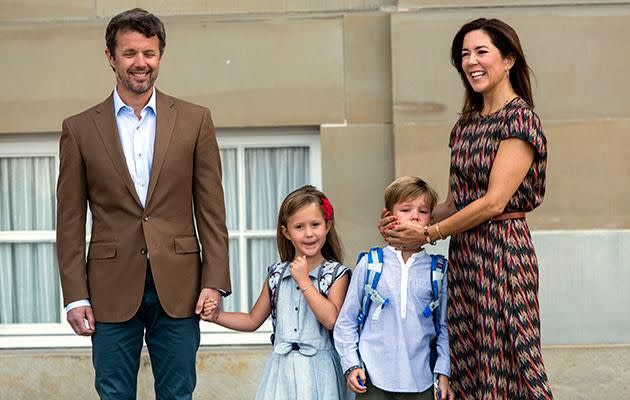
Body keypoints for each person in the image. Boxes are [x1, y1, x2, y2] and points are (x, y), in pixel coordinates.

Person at [56, 8, 230, 399]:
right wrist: (76, 295)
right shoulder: (80, 128)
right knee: (114, 393)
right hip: (109, 289)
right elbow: (69, 221)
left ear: (160, 56)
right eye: (131, 53)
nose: (141, 63)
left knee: (178, 392)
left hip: (181, 285)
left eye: (149, 54)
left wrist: (214, 282)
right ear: (110, 57)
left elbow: (212, 211)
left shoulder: (194, 120)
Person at [379, 18, 553, 399]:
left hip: (504, 253)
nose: (471, 61)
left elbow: (493, 202)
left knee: (509, 357)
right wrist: (407, 220)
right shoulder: (467, 125)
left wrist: (428, 234)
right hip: (466, 255)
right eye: (464, 54)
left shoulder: (520, 119)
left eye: (481, 51)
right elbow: (456, 203)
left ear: (508, 60)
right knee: (470, 358)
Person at [202, 185, 352, 400]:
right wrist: (216, 316)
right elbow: (252, 319)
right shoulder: (277, 274)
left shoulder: (336, 273)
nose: (309, 233)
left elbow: (331, 319)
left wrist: (303, 280)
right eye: (299, 227)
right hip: (282, 373)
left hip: (320, 373)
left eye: (315, 225)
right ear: (286, 232)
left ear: (327, 226)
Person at [335, 176, 455, 400]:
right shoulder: (370, 264)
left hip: (422, 382)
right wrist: (351, 365)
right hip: (372, 380)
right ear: (389, 216)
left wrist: (443, 373)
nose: (415, 216)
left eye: (423, 210)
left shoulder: (437, 269)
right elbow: (346, 321)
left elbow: (444, 327)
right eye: (406, 209)